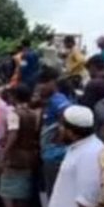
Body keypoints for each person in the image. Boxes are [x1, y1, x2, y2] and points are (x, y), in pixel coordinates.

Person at [0, 84, 40, 207]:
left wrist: (2, 156)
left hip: (14, 159)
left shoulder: (14, 114)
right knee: (23, 194)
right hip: (29, 157)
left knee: (7, 195)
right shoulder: (34, 114)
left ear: (14, 97)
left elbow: (13, 135)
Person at [36, 66, 71, 196]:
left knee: (54, 191)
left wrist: (57, 143)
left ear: (52, 82)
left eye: (43, 83)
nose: (40, 87)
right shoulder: (49, 101)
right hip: (49, 151)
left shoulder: (58, 100)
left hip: (55, 154)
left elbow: (66, 118)